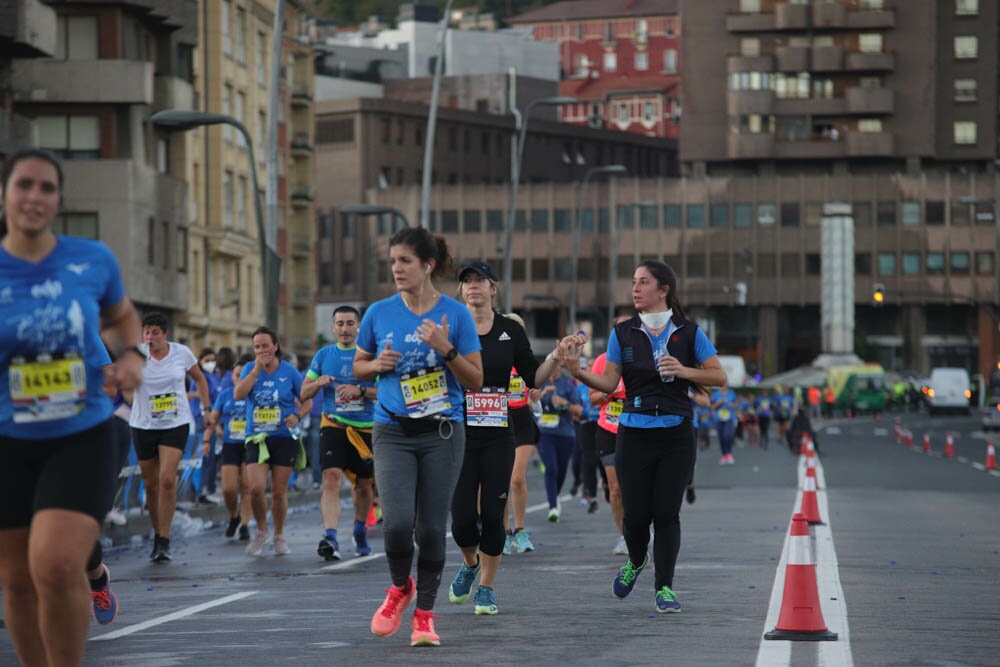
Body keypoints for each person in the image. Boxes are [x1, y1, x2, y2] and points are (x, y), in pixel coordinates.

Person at [0, 148, 144, 665]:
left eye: (46, 188)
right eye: (23, 185)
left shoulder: (91, 260)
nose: (34, 197)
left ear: (58, 201)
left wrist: (130, 356)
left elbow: (124, 316)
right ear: (5, 194)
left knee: (57, 564)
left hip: (80, 433)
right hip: (6, 439)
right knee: (16, 582)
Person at [558, 260, 725, 614]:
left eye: (643, 282)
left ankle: (664, 587)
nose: (635, 288)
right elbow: (609, 383)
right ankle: (636, 559)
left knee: (666, 514)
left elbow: (718, 377)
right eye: (633, 281)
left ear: (663, 289)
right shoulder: (623, 333)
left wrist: (683, 370)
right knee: (634, 516)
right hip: (632, 432)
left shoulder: (689, 332)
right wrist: (579, 373)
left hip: (676, 432)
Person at [354, 227, 482, 647]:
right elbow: (358, 365)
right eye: (393, 261)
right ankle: (399, 589)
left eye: (405, 261)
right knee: (396, 526)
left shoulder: (456, 315)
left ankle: (424, 615)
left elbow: (477, 381)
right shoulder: (378, 312)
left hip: (442, 432)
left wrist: (446, 348)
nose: (396, 269)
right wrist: (376, 367)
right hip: (391, 429)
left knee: (429, 529)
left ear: (427, 266)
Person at [446, 260, 559, 616]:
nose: (473, 286)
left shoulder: (510, 329)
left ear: (493, 289)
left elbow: (533, 377)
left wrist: (556, 356)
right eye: (467, 281)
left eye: (480, 280)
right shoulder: (448, 327)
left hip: (498, 433)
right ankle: (470, 563)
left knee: (493, 515)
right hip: (458, 434)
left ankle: (487, 589)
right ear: (461, 290)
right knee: (463, 520)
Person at [129, 311, 210, 563]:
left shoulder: (181, 353)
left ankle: (164, 540)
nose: (150, 337)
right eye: (146, 332)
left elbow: (200, 379)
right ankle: (157, 533)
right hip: (143, 424)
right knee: (151, 485)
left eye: (155, 332)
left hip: (175, 422)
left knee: (166, 480)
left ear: (165, 334)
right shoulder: (136, 354)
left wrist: (206, 409)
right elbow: (120, 381)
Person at [301, 305, 377, 561]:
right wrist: (317, 383)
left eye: (350, 323)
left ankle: (359, 529)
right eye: (340, 324)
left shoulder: (368, 355)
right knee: (331, 478)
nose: (345, 328)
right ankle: (330, 536)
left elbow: (388, 391)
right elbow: (304, 392)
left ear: (358, 327)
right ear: (333, 328)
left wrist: (362, 391)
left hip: (365, 429)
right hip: (333, 425)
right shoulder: (323, 355)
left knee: (364, 486)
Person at [235, 327, 312, 557]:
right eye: (256, 347)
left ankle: (279, 534)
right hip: (256, 437)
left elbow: (306, 402)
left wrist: (297, 416)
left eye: (265, 346)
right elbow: (238, 395)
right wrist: (256, 370)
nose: (261, 351)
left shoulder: (289, 372)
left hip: (283, 437)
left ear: (275, 346)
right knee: (256, 488)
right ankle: (261, 530)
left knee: (279, 492)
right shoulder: (250, 368)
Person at [501, 313, 543, 555]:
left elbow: (537, 385)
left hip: (523, 420)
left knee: (517, 477)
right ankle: (504, 531)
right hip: (500, 419)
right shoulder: (496, 356)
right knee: (503, 479)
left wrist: (535, 395)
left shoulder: (526, 360)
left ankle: (520, 529)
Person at [204, 357, 252, 541]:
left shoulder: (255, 393)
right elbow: (213, 419)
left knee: (247, 487)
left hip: (250, 445)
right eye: (237, 375)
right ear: (232, 376)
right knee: (228, 489)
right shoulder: (225, 395)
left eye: (244, 375)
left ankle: (245, 525)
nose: (240, 378)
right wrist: (206, 441)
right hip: (230, 445)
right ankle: (234, 516)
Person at [535, 369, 583, 522]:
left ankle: (554, 496)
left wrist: (564, 403)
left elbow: (579, 412)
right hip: (544, 433)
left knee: (561, 471)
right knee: (551, 468)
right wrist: (542, 395)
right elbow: (530, 404)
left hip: (565, 434)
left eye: (556, 366)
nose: (553, 370)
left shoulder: (568, 386)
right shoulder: (538, 384)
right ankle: (553, 506)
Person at [192, 347, 221, 503]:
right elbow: (189, 394)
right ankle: (197, 491)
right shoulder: (199, 376)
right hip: (202, 418)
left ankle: (204, 491)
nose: (211, 363)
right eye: (207, 360)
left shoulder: (213, 377)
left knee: (209, 458)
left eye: (212, 360)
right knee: (202, 455)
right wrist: (201, 395)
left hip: (213, 420)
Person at [711, 383, 738, 465]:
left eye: (725, 384)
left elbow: (736, 404)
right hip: (719, 418)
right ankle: (724, 455)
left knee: (728, 435)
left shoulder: (731, 393)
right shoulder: (716, 394)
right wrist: (718, 403)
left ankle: (729, 454)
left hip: (729, 418)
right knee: (721, 437)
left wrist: (731, 405)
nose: (724, 385)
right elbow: (712, 406)